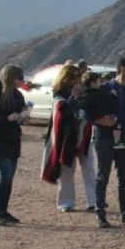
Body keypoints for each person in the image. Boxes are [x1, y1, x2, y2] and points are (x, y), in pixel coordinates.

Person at [92, 56, 125, 229]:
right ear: (122, 68)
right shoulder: (104, 89)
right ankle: (100, 214)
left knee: (124, 175)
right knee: (103, 176)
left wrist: (116, 119)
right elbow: (87, 108)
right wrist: (98, 119)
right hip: (104, 138)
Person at [42, 65, 98, 212]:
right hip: (67, 139)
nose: (76, 80)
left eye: (77, 77)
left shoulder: (83, 92)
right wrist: (73, 97)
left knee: (89, 169)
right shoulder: (59, 94)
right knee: (66, 171)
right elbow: (62, 114)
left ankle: (93, 201)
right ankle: (66, 203)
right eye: (72, 77)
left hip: (83, 137)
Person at [0, 65, 27, 226]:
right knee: (6, 174)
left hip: (13, 140)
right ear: (12, 78)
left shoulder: (18, 95)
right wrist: (6, 118)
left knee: (9, 177)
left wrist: (23, 117)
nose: (22, 81)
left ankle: (3, 211)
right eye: (20, 78)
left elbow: (20, 116)